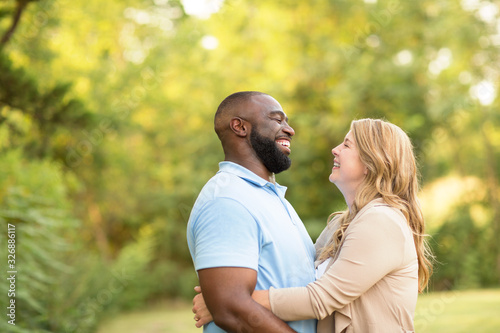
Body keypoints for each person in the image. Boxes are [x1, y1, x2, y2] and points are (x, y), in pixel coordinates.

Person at [193, 118, 433, 333]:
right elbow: (302, 278)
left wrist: (229, 303)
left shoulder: (382, 221)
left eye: (347, 145)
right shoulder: (342, 222)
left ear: (372, 162)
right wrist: (227, 298)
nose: (335, 150)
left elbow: (321, 298)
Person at [186, 91, 317, 333]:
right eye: (277, 120)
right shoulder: (226, 200)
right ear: (239, 127)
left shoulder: (271, 198)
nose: (290, 130)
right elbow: (232, 309)